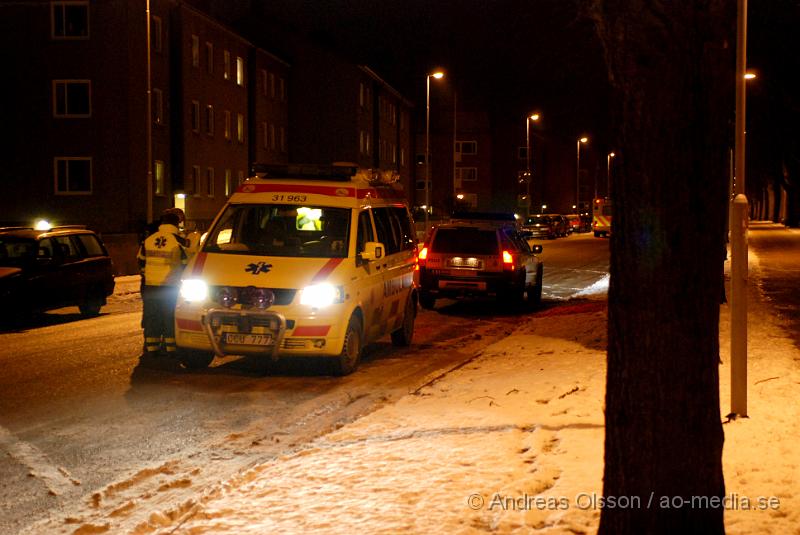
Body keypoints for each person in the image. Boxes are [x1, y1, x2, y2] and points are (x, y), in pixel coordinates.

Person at [137, 210, 189, 356]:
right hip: (171, 287)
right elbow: (186, 264)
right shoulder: (179, 242)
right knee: (169, 315)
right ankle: (171, 347)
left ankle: (152, 347)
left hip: (151, 286)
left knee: (152, 315)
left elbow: (141, 261)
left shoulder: (148, 240)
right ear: (175, 224)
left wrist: (147, 275)